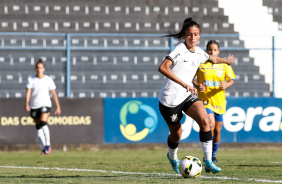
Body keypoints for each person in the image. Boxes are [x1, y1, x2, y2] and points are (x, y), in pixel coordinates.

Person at [158, 17, 235, 174]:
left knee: (205, 120)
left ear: (200, 35)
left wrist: (226, 61)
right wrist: (184, 84)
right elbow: (163, 68)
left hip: (187, 96)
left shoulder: (199, 52)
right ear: (184, 35)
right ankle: (172, 157)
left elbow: (213, 58)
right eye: (189, 34)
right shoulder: (179, 49)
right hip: (169, 100)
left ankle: (208, 162)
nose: (192, 38)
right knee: (176, 134)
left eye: (195, 34)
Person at [192, 40, 235, 162]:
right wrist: (197, 85)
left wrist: (227, 84)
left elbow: (231, 79)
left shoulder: (224, 65)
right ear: (207, 51)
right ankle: (207, 156)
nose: (212, 52)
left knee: (217, 130)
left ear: (218, 51)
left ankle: (213, 154)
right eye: (210, 50)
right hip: (205, 101)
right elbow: (190, 79)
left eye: (215, 50)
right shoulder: (201, 64)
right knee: (210, 125)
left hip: (219, 102)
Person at [25, 59, 61, 155]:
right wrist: (27, 104)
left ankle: (48, 145)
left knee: (43, 123)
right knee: (38, 127)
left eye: (41, 67)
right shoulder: (31, 79)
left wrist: (58, 106)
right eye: (37, 67)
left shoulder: (48, 79)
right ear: (35, 69)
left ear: (44, 69)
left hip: (45, 104)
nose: (39, 69)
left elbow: (53, 93)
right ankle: (44, 148)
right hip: (34, 106)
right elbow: (28, 92)